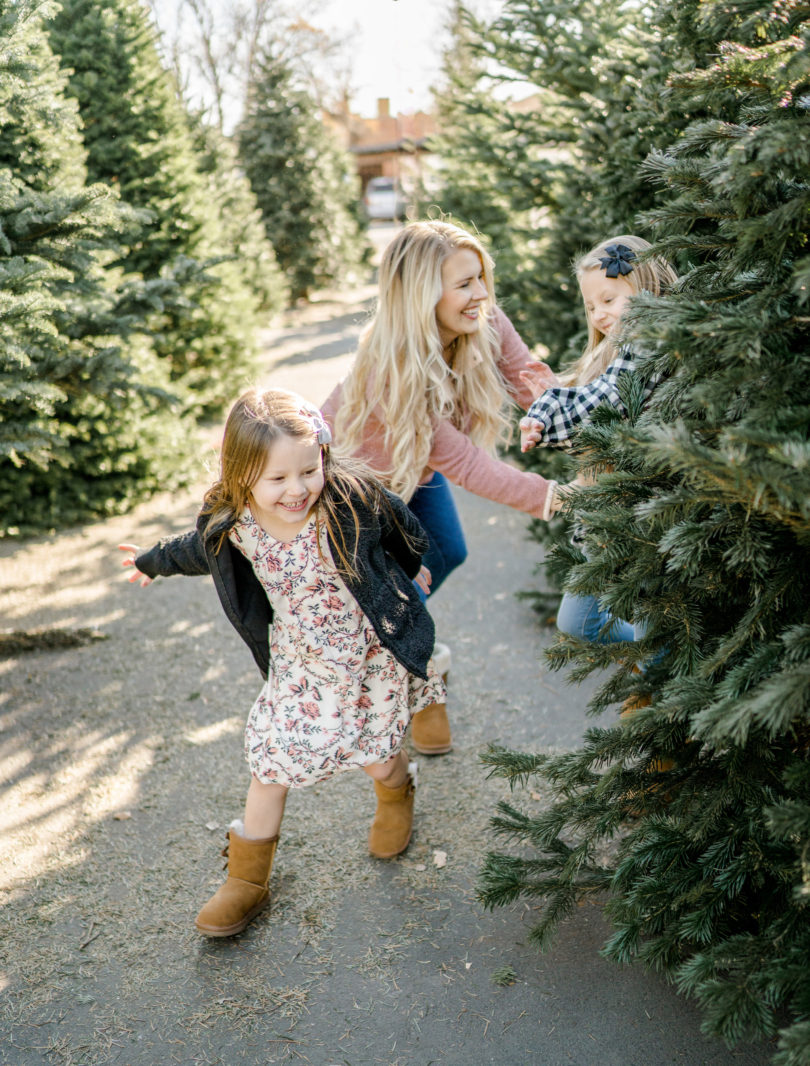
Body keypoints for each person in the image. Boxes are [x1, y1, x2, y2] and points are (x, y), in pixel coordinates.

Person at [118, 387, 445, 938]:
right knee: (271, 761)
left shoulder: (347, 500)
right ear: (241, 475)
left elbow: (397, 525)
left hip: (369, 653)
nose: (296, 490)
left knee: (377, 752)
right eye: (276, 479)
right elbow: (192, 549)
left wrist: (410, 569)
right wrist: (153, 561)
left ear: (322, 457)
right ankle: (247, 881)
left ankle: (397, 788)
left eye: (307, 471)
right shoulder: (236, 525)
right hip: (302, 665)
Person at [321, 219, 558, 755]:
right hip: (360, 496)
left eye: (480, 279)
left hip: (415, 473)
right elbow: (471, 466)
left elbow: (530, 379)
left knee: (447, 550)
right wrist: (555, 497)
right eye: (463, 285)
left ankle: (405, 640)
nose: (481, 295)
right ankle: (411, 678)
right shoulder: (392, 366)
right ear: (423, 296)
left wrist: (581, 414)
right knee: (390, 593)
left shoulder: (485, 320)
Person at [518, 234, 679, 646]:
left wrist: (551, 407)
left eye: (608, 300)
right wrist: (555, 394)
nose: (598, 315)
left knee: (640, 630)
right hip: (609, 517)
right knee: (579, 623)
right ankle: (653, 650)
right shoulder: (616, 351)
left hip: (646, 519)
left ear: (644, 285)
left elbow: (607, 402)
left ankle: (656, 661)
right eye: (591, 306)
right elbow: (600, 430)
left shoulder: (651, 340)